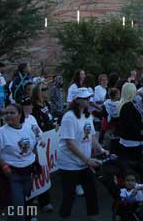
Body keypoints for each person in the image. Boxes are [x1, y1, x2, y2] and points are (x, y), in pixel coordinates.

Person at [0, 103, 39, 221]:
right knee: (17, 211)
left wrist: (37, 164)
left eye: (12, 113)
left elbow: (34, 146)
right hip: (11, 175)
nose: (8, 115)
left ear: (20, 115)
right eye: (6, 113)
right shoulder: (0, 132)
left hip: (27, 172)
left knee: (25, 202)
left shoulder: (28, 129)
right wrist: (4, 166)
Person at [57, 87, 105, 219]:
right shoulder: (69, 117)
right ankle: (64, 216)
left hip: (83, 162)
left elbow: (92, 136)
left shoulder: (87, 115)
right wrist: (87, 159)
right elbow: (70, 143)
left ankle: (93, 215)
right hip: (69, 163)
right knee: (69, 194)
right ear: (77, 100)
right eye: (86, 98)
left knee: (91, 191)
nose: (89, 100)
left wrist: (101, 149)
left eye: (90, 97)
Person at [117, 82, 143, 175]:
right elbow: (130, 124)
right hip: (132, 141)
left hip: (129, 139)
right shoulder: (128, 105)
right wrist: (140, 132)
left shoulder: (127, 104)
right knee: (133, 166)